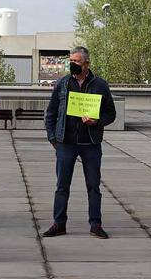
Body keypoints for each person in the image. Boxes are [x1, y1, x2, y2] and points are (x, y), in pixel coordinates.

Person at [43, 46, 117, 239]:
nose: (72, 64)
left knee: (93, 186)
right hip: (66, 143)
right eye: (71, 61)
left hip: (90, 143)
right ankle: (59, 223)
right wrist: (52, 137)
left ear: (86, 64)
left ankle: (96, 224)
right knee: (62, 186)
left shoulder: (100, 85)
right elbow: (51, 112)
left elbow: (111, 113)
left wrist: (97, 121)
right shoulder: (63, 83)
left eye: (76, 61)